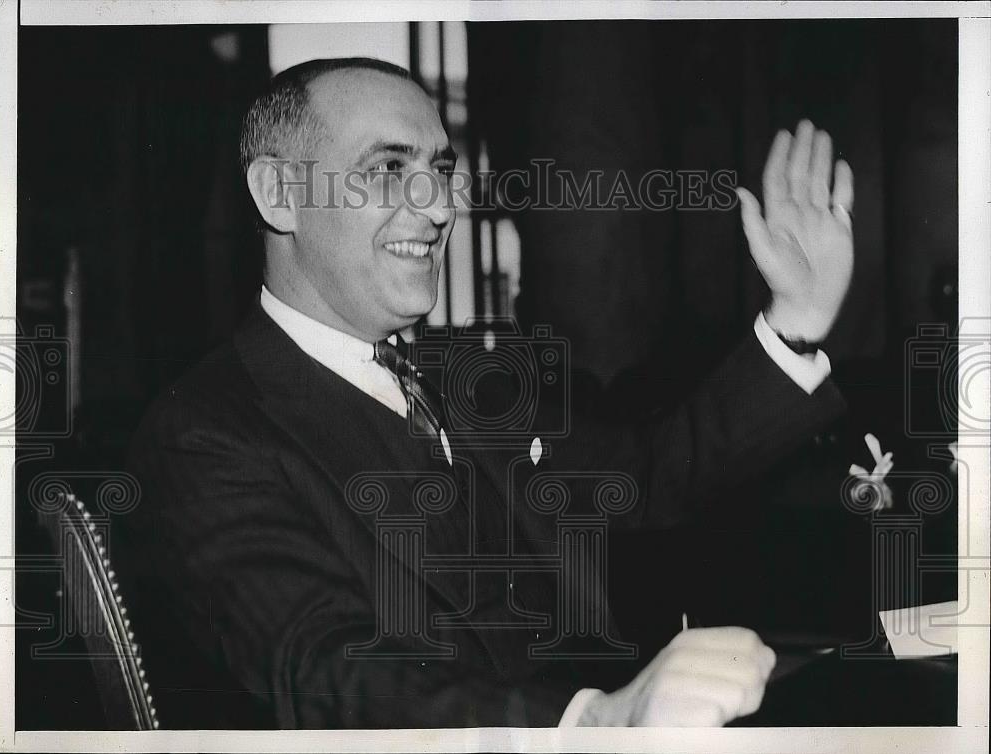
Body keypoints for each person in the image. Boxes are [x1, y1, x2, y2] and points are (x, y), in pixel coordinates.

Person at [118, 57, 854, 729]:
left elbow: (650, 472)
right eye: (386, 170)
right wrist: (595, 724)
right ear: (280, 195)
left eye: (440, 170)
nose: (438, 208)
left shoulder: (465, 377)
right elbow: (324, 675)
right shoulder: (205, 431)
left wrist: (798, 317)